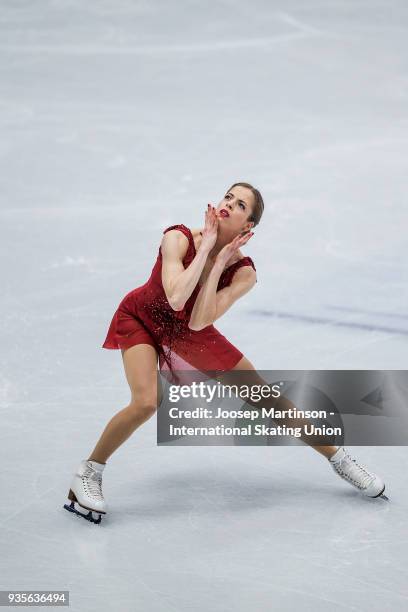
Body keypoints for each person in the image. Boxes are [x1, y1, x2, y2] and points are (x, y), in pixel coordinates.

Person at [63, 182, 387, 524]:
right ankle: (89, 471)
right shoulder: (179, 237)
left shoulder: (243, 273)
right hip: (142, 317)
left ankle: (341, 460)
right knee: (145, 402)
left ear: (248, 227)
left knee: (264, 396)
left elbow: (200, 320)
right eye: (228, 197)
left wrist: (218, 264)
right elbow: (174, 298)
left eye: (241, 205)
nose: (229, 204)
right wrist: (204, 252)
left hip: (189, 331)